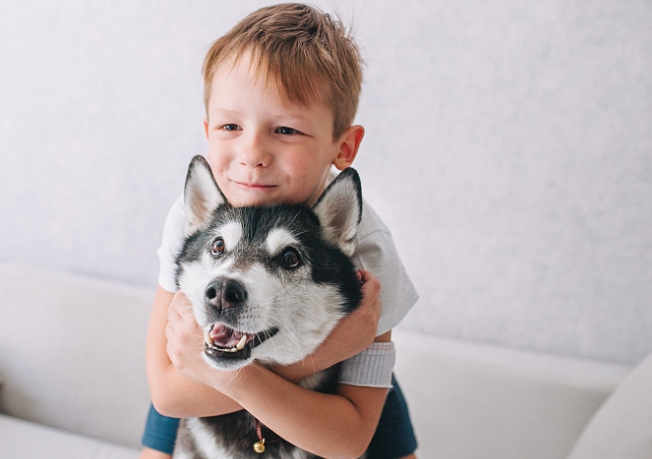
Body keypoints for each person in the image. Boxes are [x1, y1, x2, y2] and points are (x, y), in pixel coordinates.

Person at [141, 3, 419, 458]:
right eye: (231, 125)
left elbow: (349, 440)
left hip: (339, 378)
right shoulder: (195, 213)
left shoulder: (366, 246)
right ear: (208, 130)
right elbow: (168, 393)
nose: (251, 153)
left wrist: (333, 356)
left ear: (342, 146)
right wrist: (317, 353)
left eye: (285, 129)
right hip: (206, 353)